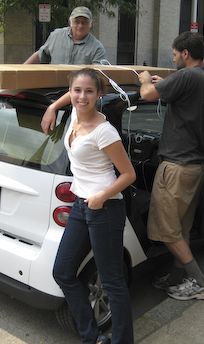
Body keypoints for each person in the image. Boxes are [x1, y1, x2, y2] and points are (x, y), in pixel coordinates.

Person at [43, 68, 135, 344]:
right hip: (81, 206)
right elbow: (70, 97)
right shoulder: (73, 115)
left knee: (112, 282)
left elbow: (129, 175)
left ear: (99, 95)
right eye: (77, 91)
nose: (82, 96)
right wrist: (52, 106)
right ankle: (92, 337)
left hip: (104, 208)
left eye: (89, 91)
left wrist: (100, 197)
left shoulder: (104, 131)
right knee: (62, 271)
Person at [138, 31, 204, 301]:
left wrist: (145, 78)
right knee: (180, 229)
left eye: (174, 54)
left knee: (166, 230)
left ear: (185, 53)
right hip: (192, 166)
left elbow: (146, 94)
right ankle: (174, 279)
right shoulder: (202, 77)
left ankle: (200, 283)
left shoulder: (187, 76)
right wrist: (167, 82)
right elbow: (177, 91)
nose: (172, 59)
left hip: (177, 167)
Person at [24, 6, 107, 65]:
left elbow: (99, 74)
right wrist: (21, 70)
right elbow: (40, 56)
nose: (80, 26)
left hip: (79, 89)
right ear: (70, 22)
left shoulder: (97, 47)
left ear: (91, 23)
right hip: (53, 87)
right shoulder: (56, 36)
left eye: (84, 22)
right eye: (77, 21)